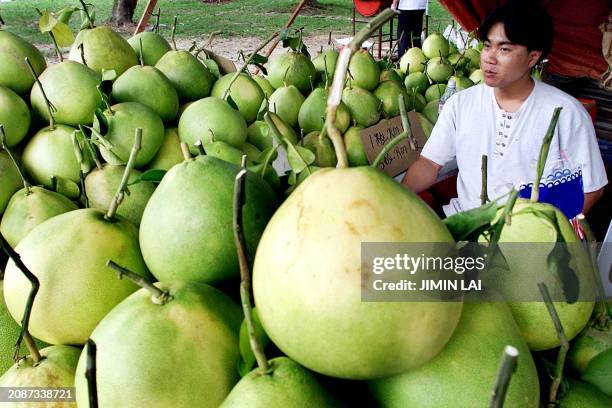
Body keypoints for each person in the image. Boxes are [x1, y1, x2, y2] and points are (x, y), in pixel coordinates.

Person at [402, 1, 607, 217]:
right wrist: (397, 196)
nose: (489, 58)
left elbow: (591, 189)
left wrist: (545, 233)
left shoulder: (566, 113)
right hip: (466, 224)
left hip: (528, 236)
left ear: (533, 57)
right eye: (488, 46)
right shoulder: (460, 104)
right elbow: (428, 164)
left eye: (504, 49)